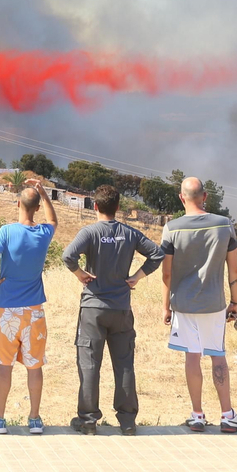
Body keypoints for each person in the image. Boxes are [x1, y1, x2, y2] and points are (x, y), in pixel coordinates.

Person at [61, 184, 161, 435]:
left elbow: (67, 256)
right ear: (118, 207)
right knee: (124, 363)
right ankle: (127, 422)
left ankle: (88, 420)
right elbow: (157, 254)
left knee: (89, 364)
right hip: (121, 309)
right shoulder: (130, 233)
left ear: (95, 206)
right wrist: (136, 276)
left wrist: (80, 274)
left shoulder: (90, 232)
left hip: (93, 308)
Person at [160, 176, 237, 433]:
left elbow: (166, 273)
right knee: (218, 357)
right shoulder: (224, 225)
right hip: (214, 304)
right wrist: (235, 302)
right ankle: (227, 415)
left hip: (183, 304)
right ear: (205, 196)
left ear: (181, 198)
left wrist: (166, 306)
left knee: (192, 357)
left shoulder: (172, 228)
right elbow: (234, 270)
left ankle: (197, 415)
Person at [0, 181, 59, 434]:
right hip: (34, 310)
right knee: (34, 366)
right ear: (36, 207)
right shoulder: (44, 233)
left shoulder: (6, 231)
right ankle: (34, 419)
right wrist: (45, 195)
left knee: (5, 365)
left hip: (6, 309)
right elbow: (53, 220)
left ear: (18, 205)